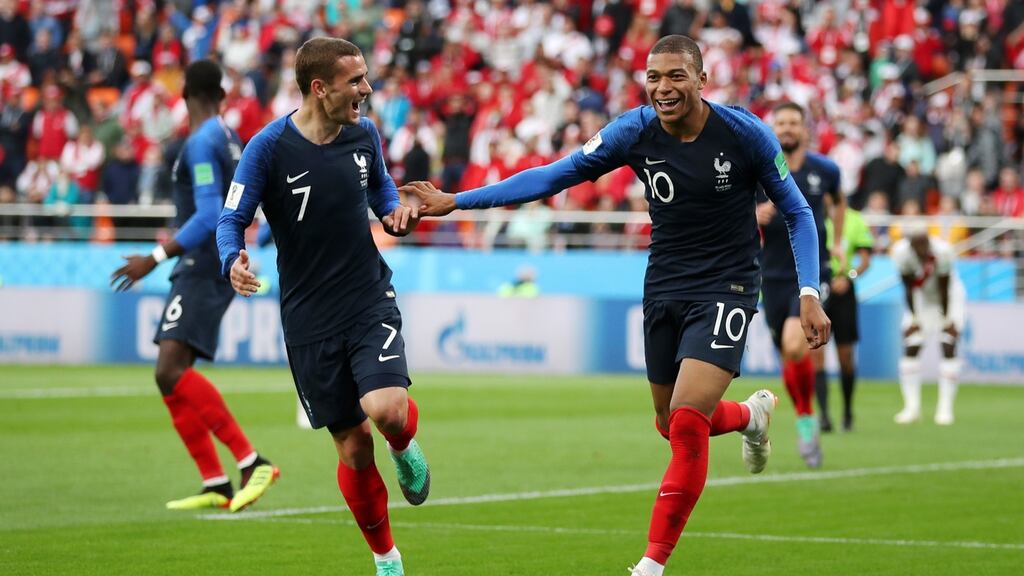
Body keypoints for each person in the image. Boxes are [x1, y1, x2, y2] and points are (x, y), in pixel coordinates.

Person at [403, 34, 830, 576]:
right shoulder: (633, 130)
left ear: (701, 80)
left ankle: (651, 565)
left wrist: (810, 293)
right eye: (654, 77)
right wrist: (458, 200)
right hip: (664, 285)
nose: (663, 87)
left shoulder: (744, 133)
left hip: (729, 288)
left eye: (676, 75)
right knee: (667, 422)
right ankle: (750, 415)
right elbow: (553, 176)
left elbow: (797, 213)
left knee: (687, 421)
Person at [215, 37, 429, 576]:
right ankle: (386, 558)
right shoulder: (267, 148)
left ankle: (404, 446)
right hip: (308, 317)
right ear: (320, 87)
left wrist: (394, 213)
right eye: (356, 81)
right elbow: (230, 219)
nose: (367, 89)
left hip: (365, 296)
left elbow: (380, 190)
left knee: (386, 410)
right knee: (354, 446)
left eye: (365, 78)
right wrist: (231, 260)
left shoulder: (364, 135)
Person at [110, 60, 278, 512]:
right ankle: (216, 481)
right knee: (168, 375)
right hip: (210, 261)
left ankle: (251, 461)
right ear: (222, 95)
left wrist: (155, 257)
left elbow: (207, 215)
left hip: (202, 262)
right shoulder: (228, 138)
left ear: (186, 93)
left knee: (169, 369)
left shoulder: (202, 141)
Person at [756, 101, 845, 467]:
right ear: (773, 129)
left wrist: (837, 240)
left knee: (796, 343)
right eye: (781, 123)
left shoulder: (825, 169)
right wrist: (753, 214)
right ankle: (805, 415)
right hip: (770, 275)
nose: (788, 128)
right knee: (787, 351)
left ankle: (807, 419)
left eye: (794, 122)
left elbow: (839, 203)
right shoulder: (760, 169)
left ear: (805, 129)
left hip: (810, 273)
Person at [891, 227, 964, 425]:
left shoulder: (943, 251)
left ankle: (945, 409)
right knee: (911, 344)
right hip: (921, 297)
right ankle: (911, 408)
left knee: (948, 343)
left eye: (925, 243)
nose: (922, 248)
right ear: (911, 243)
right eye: (918, 244)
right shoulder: (901, 253)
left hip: (949, 297)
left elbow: (944, 288)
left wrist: (948, 320)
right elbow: (907, 287)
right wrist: (914, 319)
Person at [819, 207, 874, 432]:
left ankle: (847, 412)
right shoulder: (813, 213)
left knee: (845, 356)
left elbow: (865, 260)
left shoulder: (855, 219)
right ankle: (823, 415)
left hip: (844, 292)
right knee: (816, 354)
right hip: (818, 287)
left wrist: (848, 277)